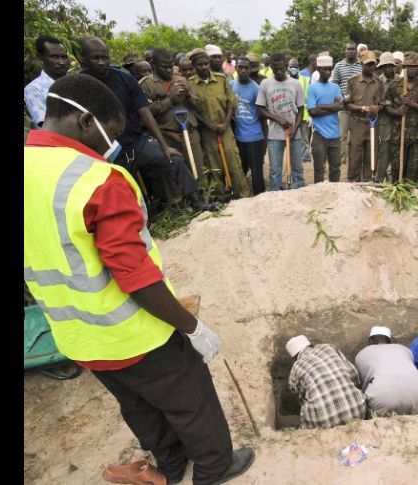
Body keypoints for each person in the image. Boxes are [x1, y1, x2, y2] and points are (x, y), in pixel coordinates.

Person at [24, 74, 254, 485]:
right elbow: (132, 272)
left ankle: (170, 464)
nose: (111, 144)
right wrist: (191, 326)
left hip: (75, 334)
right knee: (190, 395)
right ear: (85, 122)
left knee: (138, 404)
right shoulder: (96, 180)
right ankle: (215, 468)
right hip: (132, 330)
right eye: (110, 132)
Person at [79, 37, 206, 210]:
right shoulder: (79, 85)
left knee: (173, 160)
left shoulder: (124, 79)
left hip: (137, 142)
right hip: (109, 149)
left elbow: (145, 113)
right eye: (95, 58)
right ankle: (139, 221)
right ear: (83, 58)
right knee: (120, 187)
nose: (101, 62)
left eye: (105, 57)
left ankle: (198, 203)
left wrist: (164, 146)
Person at [139, 49, 208, 204]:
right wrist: (170, 100)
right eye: (164, 67)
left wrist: (189, 94)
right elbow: (145, 114)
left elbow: (200, 107)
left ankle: (202, 203)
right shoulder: (146, 85)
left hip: (190, 135)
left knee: (198, 172)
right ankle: (181, 209)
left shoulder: (182, 80)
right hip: (167, 138)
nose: (169, 70)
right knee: (174, 178)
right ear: (154, 65)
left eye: (171, 66)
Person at [189, 49, 252, 199]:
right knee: (214, 164)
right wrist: (208, 124)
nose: (204, 67)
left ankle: (243, 195)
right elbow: (192, 110)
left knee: (234, 163)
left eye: (206, 63)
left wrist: (225, 123)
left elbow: (231, 103)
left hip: (225, 129)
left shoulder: (221, 79)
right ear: (194, 66)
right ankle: (221, 196)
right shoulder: (190, 84)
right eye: (200, 65)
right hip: (207, 131)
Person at [286, 336, 366, 429]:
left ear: (294, 358)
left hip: (323, 423)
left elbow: (299, 396)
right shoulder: (329, 347)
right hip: (358, 410)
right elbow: (353, 373)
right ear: (310, 344)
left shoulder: (296, 366)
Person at [256, 53, 306, 190]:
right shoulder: (265, 84)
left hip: (294, 134)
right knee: (275, 171)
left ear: (286, 66)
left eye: (282, 69)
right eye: (275, 69)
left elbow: (301, 109)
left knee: (297, 169)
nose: (279, 72)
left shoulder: (295, 84)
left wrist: (295, 129)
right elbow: (260, 108)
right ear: (271, 67)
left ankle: (298, 194)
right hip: (274, 134)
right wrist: (278, 119)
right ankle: (276, 196)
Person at [354, 326, 418, 416]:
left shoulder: (362, 354)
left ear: (370, 341)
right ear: (389, 341)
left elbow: (364, 384)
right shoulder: (404, 349)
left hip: (383, 400)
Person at [384, 52, 418, 183]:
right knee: (396, 168)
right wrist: (397, 112)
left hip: (416, 135)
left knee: (413, 169)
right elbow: (387, 106)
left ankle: (409, 194)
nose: (411, 69)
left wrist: (412, 104)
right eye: (408, 66)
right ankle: (396, 193)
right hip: (398, 134)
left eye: (414, 66)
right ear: (403, 67)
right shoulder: (394, 84)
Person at [344, 50, 384, 182]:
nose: (371, 67)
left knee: (371, 155)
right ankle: (352, 185)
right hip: (357, 124)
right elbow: (347, 104)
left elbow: (383, 103)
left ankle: (368, 183)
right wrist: (362, 108)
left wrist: (377, 107)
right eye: (368, 64)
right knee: (355, 156)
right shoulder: (353, 81)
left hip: (373, 124)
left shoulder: (379, 83)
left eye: (373, 64)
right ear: (361, 64)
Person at [231, 57, 266, 195]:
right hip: (238, 137)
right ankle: (239, 196)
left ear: (250, 70)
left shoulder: (256, 89)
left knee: (256, 171)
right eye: (240, 67)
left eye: (246, 68)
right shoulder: (231, 85)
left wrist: (264, 139)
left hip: (254, 137)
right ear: (236, 69)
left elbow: (262, 115)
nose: (243, 70)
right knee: (241, 169)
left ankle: (260, 198)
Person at [307, 55, 344, 183]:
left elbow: (340, 106)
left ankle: (334, 193)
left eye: (330, 69)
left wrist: (322, 106)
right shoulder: (312, 88)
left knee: (335, 168)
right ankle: (319, 196)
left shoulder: (335, 87)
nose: (328, 72)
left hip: (335, 135)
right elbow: (312, 112)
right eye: (325, 69)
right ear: (318, 69)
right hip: (319, 135)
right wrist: (332, 107)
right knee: (319, 169)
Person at [25, 35, 70, 128]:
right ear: (40, 58)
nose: (61, 62)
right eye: (54, 57)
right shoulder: (33, 90)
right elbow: (44, 126)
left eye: (64, 57)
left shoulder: (76, 83)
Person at [331, 42, 364, 169]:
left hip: (358, 108)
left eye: (352, 49)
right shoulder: (339, 66)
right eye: (348, 49)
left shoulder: (361, 65)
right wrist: (343, 99)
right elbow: (334, 85)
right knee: (342, 136)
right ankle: (342, 162)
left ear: (356, 51)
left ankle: (354, 161)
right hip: (343, 108)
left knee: (356, 137)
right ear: (345, 51)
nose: (350, 51)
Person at [376, 52, 399, 182]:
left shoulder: (400, 80)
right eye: (385, 66)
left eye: (390, 66)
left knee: (396, 152)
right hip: (384, 121)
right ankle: (380, 180)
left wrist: (389, 103)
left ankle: (395, 181)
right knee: (383, 152)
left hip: (398, 121)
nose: (388, 69)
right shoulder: (378, 81)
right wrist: (387, 103)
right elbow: (379, 102)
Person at [288, 58, 312, 162]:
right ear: (288, 68)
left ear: (298, 68)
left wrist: (311, 115)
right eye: (291, 66)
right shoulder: (285, 80)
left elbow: (310, 97)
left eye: (295, 66)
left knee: (304, 138)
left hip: (304, 115)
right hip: (290, 115)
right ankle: (293, 157)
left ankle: (306, 157)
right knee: (291, 137)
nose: (293, 68)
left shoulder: (306, 80)